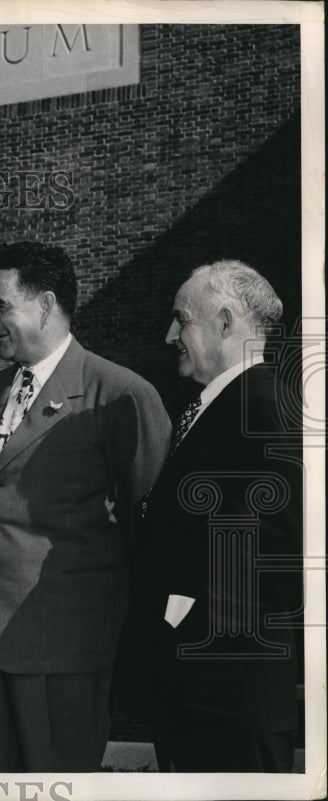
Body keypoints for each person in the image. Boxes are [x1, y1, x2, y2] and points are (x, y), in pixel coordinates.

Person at [0, 241, 171, 772]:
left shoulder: (119, 394)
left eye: (0, 306)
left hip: (64, 649)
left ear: (45, 305)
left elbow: (152, 533)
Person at [118, 260, 303, 772]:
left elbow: (279, 556)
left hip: (226, 702)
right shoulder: (225, 406)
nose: (169, 334)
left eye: (182, 319)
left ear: (224, 323)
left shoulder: (263, 408)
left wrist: (179, 615)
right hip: (199, 698)